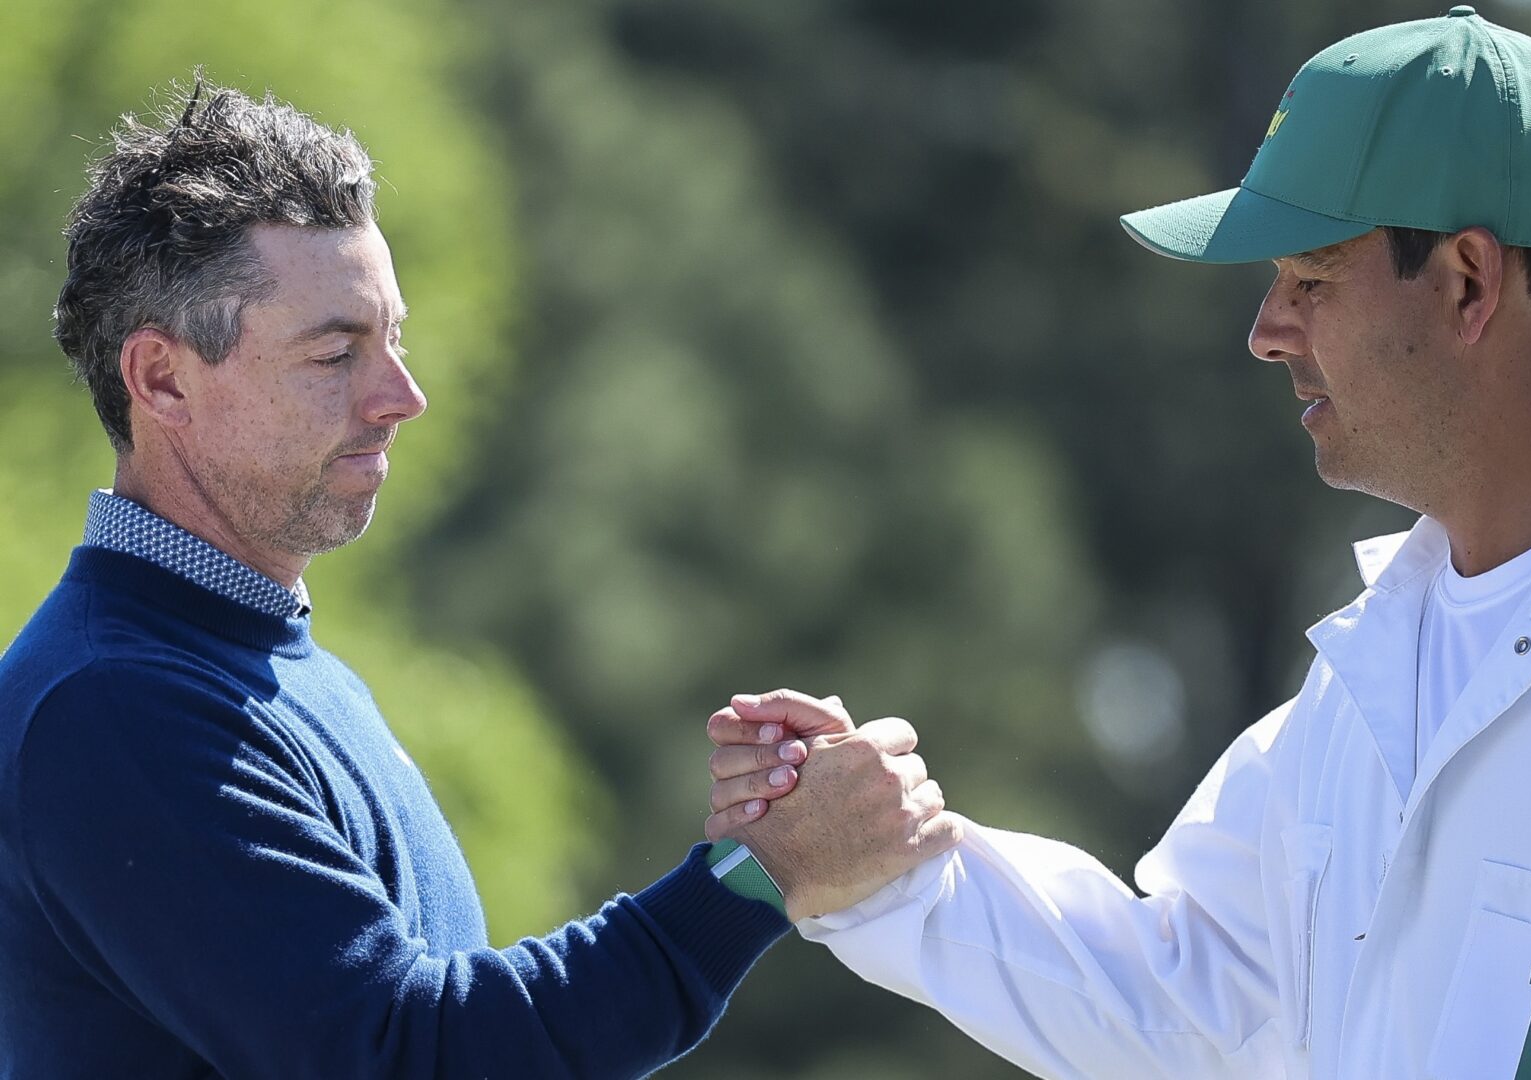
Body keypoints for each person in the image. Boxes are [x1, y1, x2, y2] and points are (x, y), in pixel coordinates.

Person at [707, 7, 1531, 1077]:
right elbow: (1190, 1003)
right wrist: (892, 873)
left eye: (1311, 280)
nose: (1265, 332)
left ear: (1465, 282)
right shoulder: (1369, 670)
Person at [0, 79, 957, 1078]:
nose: (402, 397)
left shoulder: (238, 666)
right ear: (160, 380)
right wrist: (760, 874)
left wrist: (757, 859)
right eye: (336, 353)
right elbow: (419, 1056)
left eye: (393, 339)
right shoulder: (111, 707)